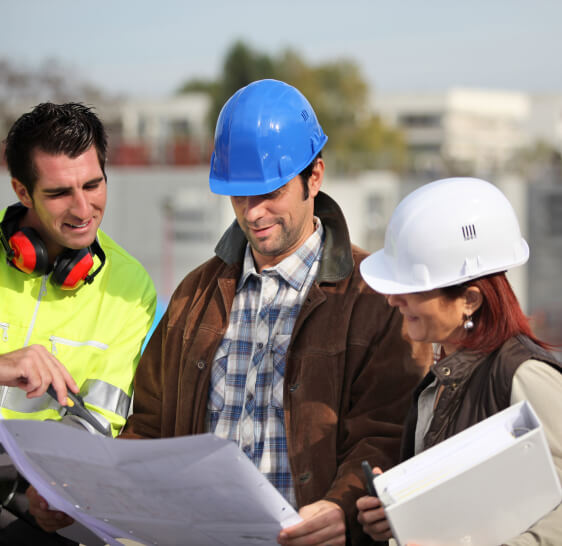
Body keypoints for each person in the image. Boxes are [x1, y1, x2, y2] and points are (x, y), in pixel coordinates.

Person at [120, 79, 430, 546]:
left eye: (272, 192)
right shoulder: (193, 295)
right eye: (240, 195)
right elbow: (148, 424)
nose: (254, 213)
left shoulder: (375, 297)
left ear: (316, 175)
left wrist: (342, 507)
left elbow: (387, 432)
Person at [356, 177, 562, 545]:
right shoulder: (439, 381)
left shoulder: (524, 376)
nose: (393, 300)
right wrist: (396, 520)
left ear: (470, 299)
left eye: (412, 289)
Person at [0, 102, 157, 544]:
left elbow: (101, 418)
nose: (83, 208)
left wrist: (56, 489)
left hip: (34, 493)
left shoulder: (130, 286)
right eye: (59, 193)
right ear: (22, 191)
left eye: (93, 185)